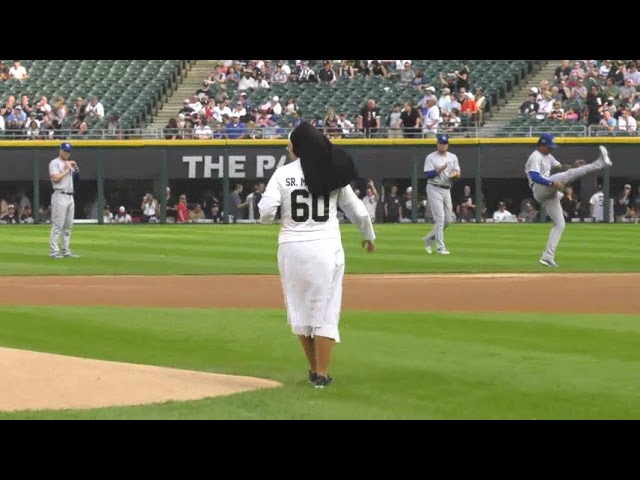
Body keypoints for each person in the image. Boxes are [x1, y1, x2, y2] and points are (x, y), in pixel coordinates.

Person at [258, 121, 376, 388]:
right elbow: (357, 210)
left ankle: (313, 369)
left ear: (298, 148)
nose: (288, 147)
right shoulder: (332, 172)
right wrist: (368, 235)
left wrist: (271, 215)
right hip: (326, 245)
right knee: (327, 310)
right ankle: (321, 374)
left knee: (299, 309)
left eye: (290, 144)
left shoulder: (282, 174)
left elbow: (265, 213)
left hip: (292, 247)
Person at [524, 133, 612, 267]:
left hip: (548, 193)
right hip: (539, 188)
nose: (551, 149)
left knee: (560, 224)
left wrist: (574, 165)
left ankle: (547, 256)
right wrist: (551, 184)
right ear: (541, 145)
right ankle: (600, 163)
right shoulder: (535, 157)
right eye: (549, 146)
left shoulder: (548, 155)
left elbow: (562, 167)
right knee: (568, 175)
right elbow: (535, 176)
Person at [422, 134, 460, 255]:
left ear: (447, 144)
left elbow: (458, 172)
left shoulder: (453, 157)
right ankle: (440, 248)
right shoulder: (431, 157)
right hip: (434, 187)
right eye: (441, 143)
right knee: (440, 219)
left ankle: (429, 238)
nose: (443, 145)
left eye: (445, 143)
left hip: (447, 188)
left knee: (448, 220)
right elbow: (428, 174)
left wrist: (455, 174)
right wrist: (439, 169)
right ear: (437, 144)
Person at [49, 142, 80, 258]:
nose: (66, 153)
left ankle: (66, 250)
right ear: (60, 150)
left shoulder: (69, 164)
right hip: (59, 195)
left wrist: (75, 168)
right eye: (65, 150)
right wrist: (67, 170)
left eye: (68, 151)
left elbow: (76, 179)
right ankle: (54, 251)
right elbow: (55, 178)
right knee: (58, 225)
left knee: (68, 226)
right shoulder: (54, 163)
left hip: (70, 196)